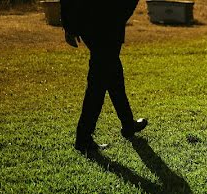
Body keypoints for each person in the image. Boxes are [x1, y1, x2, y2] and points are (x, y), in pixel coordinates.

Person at [60, 0, 148, 154]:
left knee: (112, 74)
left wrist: (69, 26)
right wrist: (118, 17)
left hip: (93, 23)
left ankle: (128, 125)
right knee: (98, 82)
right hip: (105, 24)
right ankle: (83, 138)